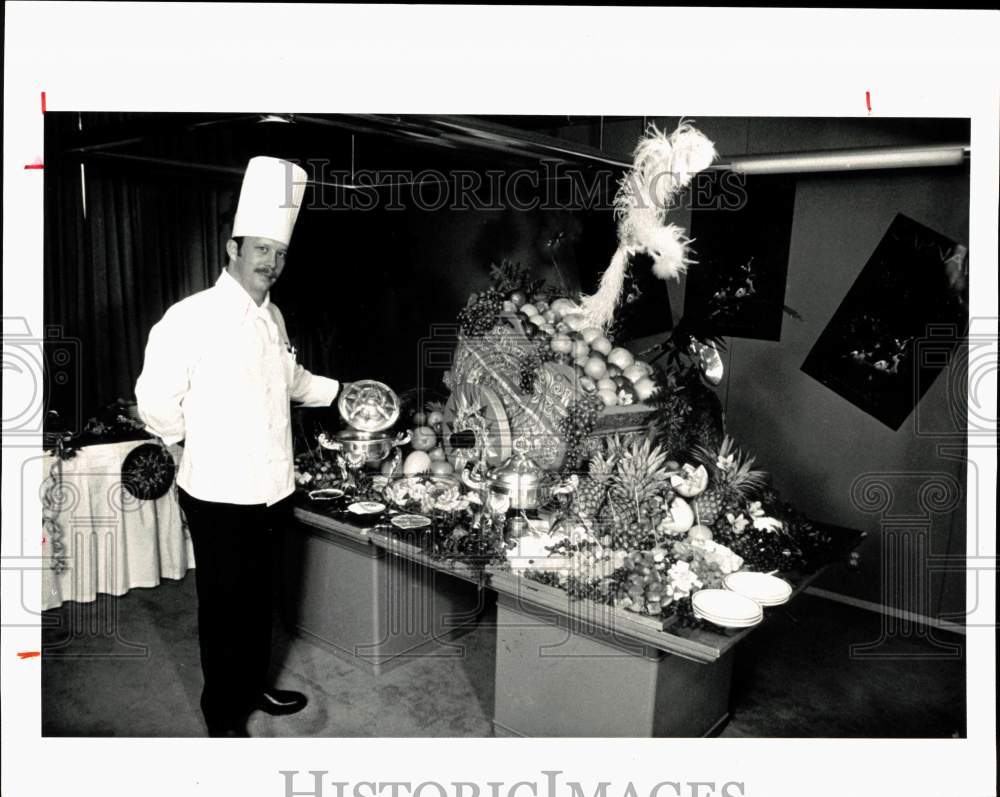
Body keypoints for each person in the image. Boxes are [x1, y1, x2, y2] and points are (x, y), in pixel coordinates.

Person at [135, 156, 340, 737]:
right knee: (223, 608)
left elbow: (292, 382)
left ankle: (252, 686)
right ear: (232, 248)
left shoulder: (271, 317)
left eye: (279, 254)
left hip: (272, 488)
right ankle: (222, 712)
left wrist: (346, 393)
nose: (271, 264)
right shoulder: (190, 317)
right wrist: (183, 448)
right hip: (219, 491)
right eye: (260, 251)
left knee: (258, 603)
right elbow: (154, 400)